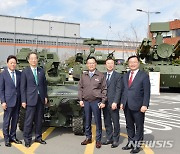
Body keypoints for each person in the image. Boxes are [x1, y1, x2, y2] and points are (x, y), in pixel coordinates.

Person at [120, 55, 150, 153]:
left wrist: (145, 105)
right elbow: (124, 90)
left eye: (134, 62)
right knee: (129, 125)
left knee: (139, 126)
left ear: (138, 63)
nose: (132, 64)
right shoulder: (125, 75)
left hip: (138, 106)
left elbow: (147, 92)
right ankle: (130, 142)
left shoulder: (144, 75)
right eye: (130, 62)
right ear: (128, 64)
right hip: (127, 105)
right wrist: (122, 102)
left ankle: (137, 145)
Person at [78, 56, 107, 149]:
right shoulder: (83, 75)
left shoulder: (100, 75)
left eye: (93, 63)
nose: (91, 65)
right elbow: (80, 88)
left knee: (98, 121)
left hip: (96, 102)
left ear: (96, 64)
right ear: (87, 64)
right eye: (89, 63)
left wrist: (103, 101)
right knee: (87, 120)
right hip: (86, 102)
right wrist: (81, 100)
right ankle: (88, 137)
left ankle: (98, 140)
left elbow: (104, 89)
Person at [21, 52, 48, 147]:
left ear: (37, 60)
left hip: (40, 99)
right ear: (28, 60)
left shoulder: (41, 70)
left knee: (39, 120)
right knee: (28, 121)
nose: (33, 60)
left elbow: (44, 85)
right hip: (30, 99)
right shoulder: (25, 71)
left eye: (35, 58)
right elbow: (22, 87)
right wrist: (23, 100)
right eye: (31, 58)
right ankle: (27, 139)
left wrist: (45, 96)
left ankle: (38, 137)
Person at [0, 55, 22, 147]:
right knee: (6, 121)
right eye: (11, 63)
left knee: (15, 120)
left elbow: (21, 88)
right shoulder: (3, 74)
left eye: (14, 63)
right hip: (8, 102)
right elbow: (1, 89)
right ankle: (6, 139)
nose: (13, 64)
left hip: (17, 101)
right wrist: (3, 102)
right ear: (7, 63)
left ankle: (13, 136)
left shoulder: (19, 74)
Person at [102, 58, 122, 148]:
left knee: (115, 122)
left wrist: (116, 102)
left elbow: (119, 90)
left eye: (111, 63)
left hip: (113, 103)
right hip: (104, 103)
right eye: (108, 63)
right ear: (105, 65)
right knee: (107, 122)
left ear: (114, 65)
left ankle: (116, 140)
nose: (110, 65)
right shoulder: (103, 76)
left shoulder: (118, 76)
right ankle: (109, 138)